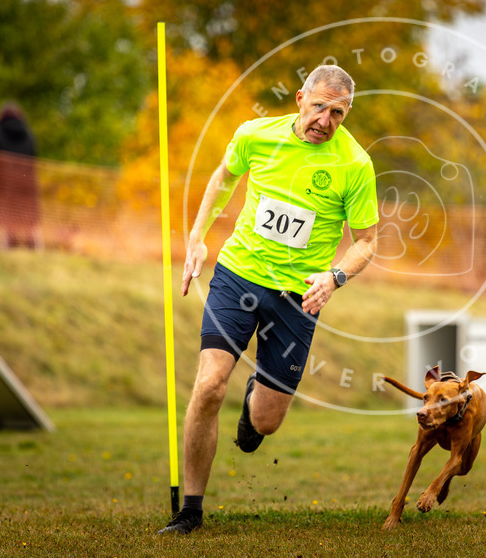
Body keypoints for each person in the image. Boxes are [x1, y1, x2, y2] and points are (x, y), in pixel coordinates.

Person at [159, 65, 379, 535]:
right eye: (319, 106)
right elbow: (223, 177)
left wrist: (335, 277)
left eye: (338, 112)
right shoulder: (255, 135)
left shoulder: (355, 164)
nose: (326, 120)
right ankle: (190, 512)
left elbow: (367, 241)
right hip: (238, 276)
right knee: (209, 383)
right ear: (300, 98)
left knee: (267, 422)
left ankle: (254, 401)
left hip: (298, 299)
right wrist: (197, 237)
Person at [0, 101, 41, 249]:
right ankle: (33, 245)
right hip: (27, 180)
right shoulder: (28, 133)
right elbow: (33, 156)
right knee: (29, 213)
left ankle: (9, 245)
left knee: (7, 212)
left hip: (6, 182)